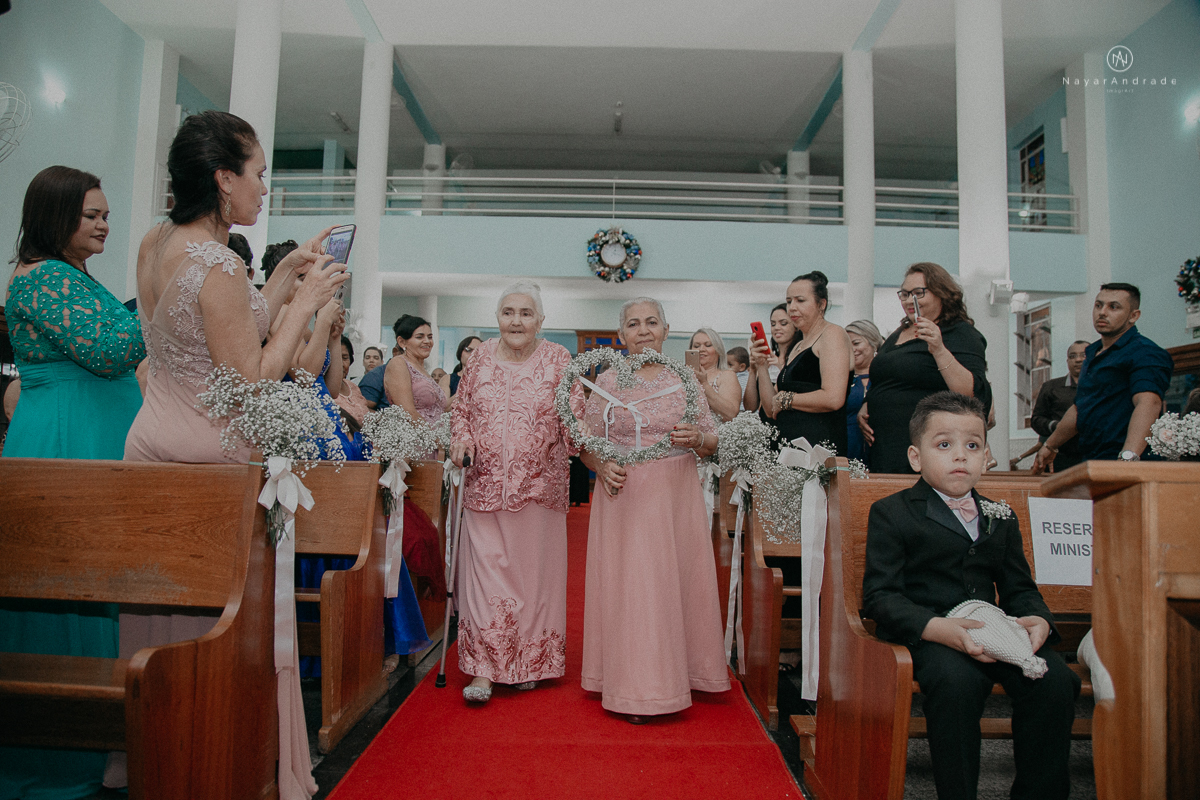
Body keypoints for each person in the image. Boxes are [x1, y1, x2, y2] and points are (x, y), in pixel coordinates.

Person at [122, 110, 347, 800]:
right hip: (207, 461)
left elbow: (206, 332)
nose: (265, 188)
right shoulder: (216, 266)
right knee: (218, 635)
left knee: (160, 621)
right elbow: (249, 382)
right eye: (258, 173)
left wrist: (279, 276)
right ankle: (211, 760)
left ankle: (158, 757)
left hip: (151, 445)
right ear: (224, 180)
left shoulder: (159, 242)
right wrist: (306, 301)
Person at [0, 165, 147, 798]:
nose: (105, 225)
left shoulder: (74, 278)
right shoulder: (40, 279)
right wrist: (172, 294)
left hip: (92, 434)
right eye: (93, 216)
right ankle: (61, 758)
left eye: (108, 215)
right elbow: (112, 350)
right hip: (65, 439)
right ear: (54, 217)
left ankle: (103, 735)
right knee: (69, 585)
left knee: (102, 583)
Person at [863, 392, 1080, 800]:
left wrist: (1037, 620)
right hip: (934, 635)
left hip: (995, 631)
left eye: (972, 446)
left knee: (1055, 681)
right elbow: (880, 596)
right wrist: (937, 628)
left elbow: (1019, 588)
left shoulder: (1000, 515)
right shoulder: (892, 512)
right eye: (944, 445)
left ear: (986, 457)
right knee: (957, 684)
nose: (960, 456)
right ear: (916, 457)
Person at [579, 297, 729, 722]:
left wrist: (697, 440)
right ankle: (636, 687)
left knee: (670, 583)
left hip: (673, 494)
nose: (643, 330)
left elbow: (712, 438)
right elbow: (586, 444)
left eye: (651, 322)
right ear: (621, 335)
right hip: (623, 496)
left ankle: (684, 673)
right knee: (634, 587)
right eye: (633, 324)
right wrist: (601, 465)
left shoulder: (685, 380)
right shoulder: (606, 381)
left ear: (665, 330)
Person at [449, 282, 583, 703]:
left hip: (539, 488)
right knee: (486, 578)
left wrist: (588, 443)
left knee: (533, 581)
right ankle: (485, 670)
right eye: (508, 312)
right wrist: (460, 439)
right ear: (497, 319)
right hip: (484, 484)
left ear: (540, 321)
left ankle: (530, 663)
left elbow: (575, 419)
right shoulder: (479, 359)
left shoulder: (560, 360)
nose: (516, 321)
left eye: (526, 313)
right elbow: (461, 411)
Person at [859, 262, 991, 474]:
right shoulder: (899, 332)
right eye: (904, 294)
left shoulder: (960, 334)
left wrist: (938, 348)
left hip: (925, 444)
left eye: (919, 293)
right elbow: (886, 375)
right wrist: (867, 404)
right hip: (884, 444)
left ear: (942, 293)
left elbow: (972, 393)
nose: (909, 301)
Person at [1033, 283, 1173, 472]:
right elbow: (1080, 408)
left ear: (1134, 316)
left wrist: (1128, 459)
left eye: (1113, 307)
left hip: (1129, 462)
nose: (1102, 312)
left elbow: (1148, 404)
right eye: (1099, 305)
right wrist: (1050, 445)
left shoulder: (1145, 352)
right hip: (1092, 459)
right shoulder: (1093, 352)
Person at [745, 271, 852, 454]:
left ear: (821, 304)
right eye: (789, 301)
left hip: (818, 444)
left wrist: (787, 399)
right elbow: (771, 408)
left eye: (800, 300)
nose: (792, 307)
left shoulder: (832, 334)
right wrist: (761, 366)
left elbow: (833, 398)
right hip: (787, 445)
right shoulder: (798, 346)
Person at [1020, 341, 1088, 471]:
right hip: (1058, 456)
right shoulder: (1052, 387)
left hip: (1094, 456)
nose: (1078, 360)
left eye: (1083, 355)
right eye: (1073, 356)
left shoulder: (1104, 387)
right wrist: (1056, 426)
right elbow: (1036, 420)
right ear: (1067, 361)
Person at [383, 315, 451, 433]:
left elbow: (442, 408)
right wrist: (434, 439)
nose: (427, 341)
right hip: (415, 441)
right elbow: (407, 411)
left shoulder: (424, 371)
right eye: (420, 337)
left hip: (435, 441)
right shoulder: (398, 363)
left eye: (430, 337)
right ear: (402, 342)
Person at [844, 319, 883, 462]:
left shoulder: (885, 378)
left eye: (856, 343)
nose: (852, 349)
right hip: (848, 448)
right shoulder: (842, 379)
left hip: (880, 447)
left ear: (873, 343)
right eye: (847, 345)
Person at [333, 335, 370, 428]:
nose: (340, 364)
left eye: (345, 358)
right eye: (335, 358)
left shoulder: (352, 386)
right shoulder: (322, 389)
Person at [766, 302, 794, 382]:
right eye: (773, 324)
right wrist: (756, 370)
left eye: (783, 323)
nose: (777, 328)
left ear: (796, 326)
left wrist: (780, 367)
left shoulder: (799, 358)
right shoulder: (769, 359)